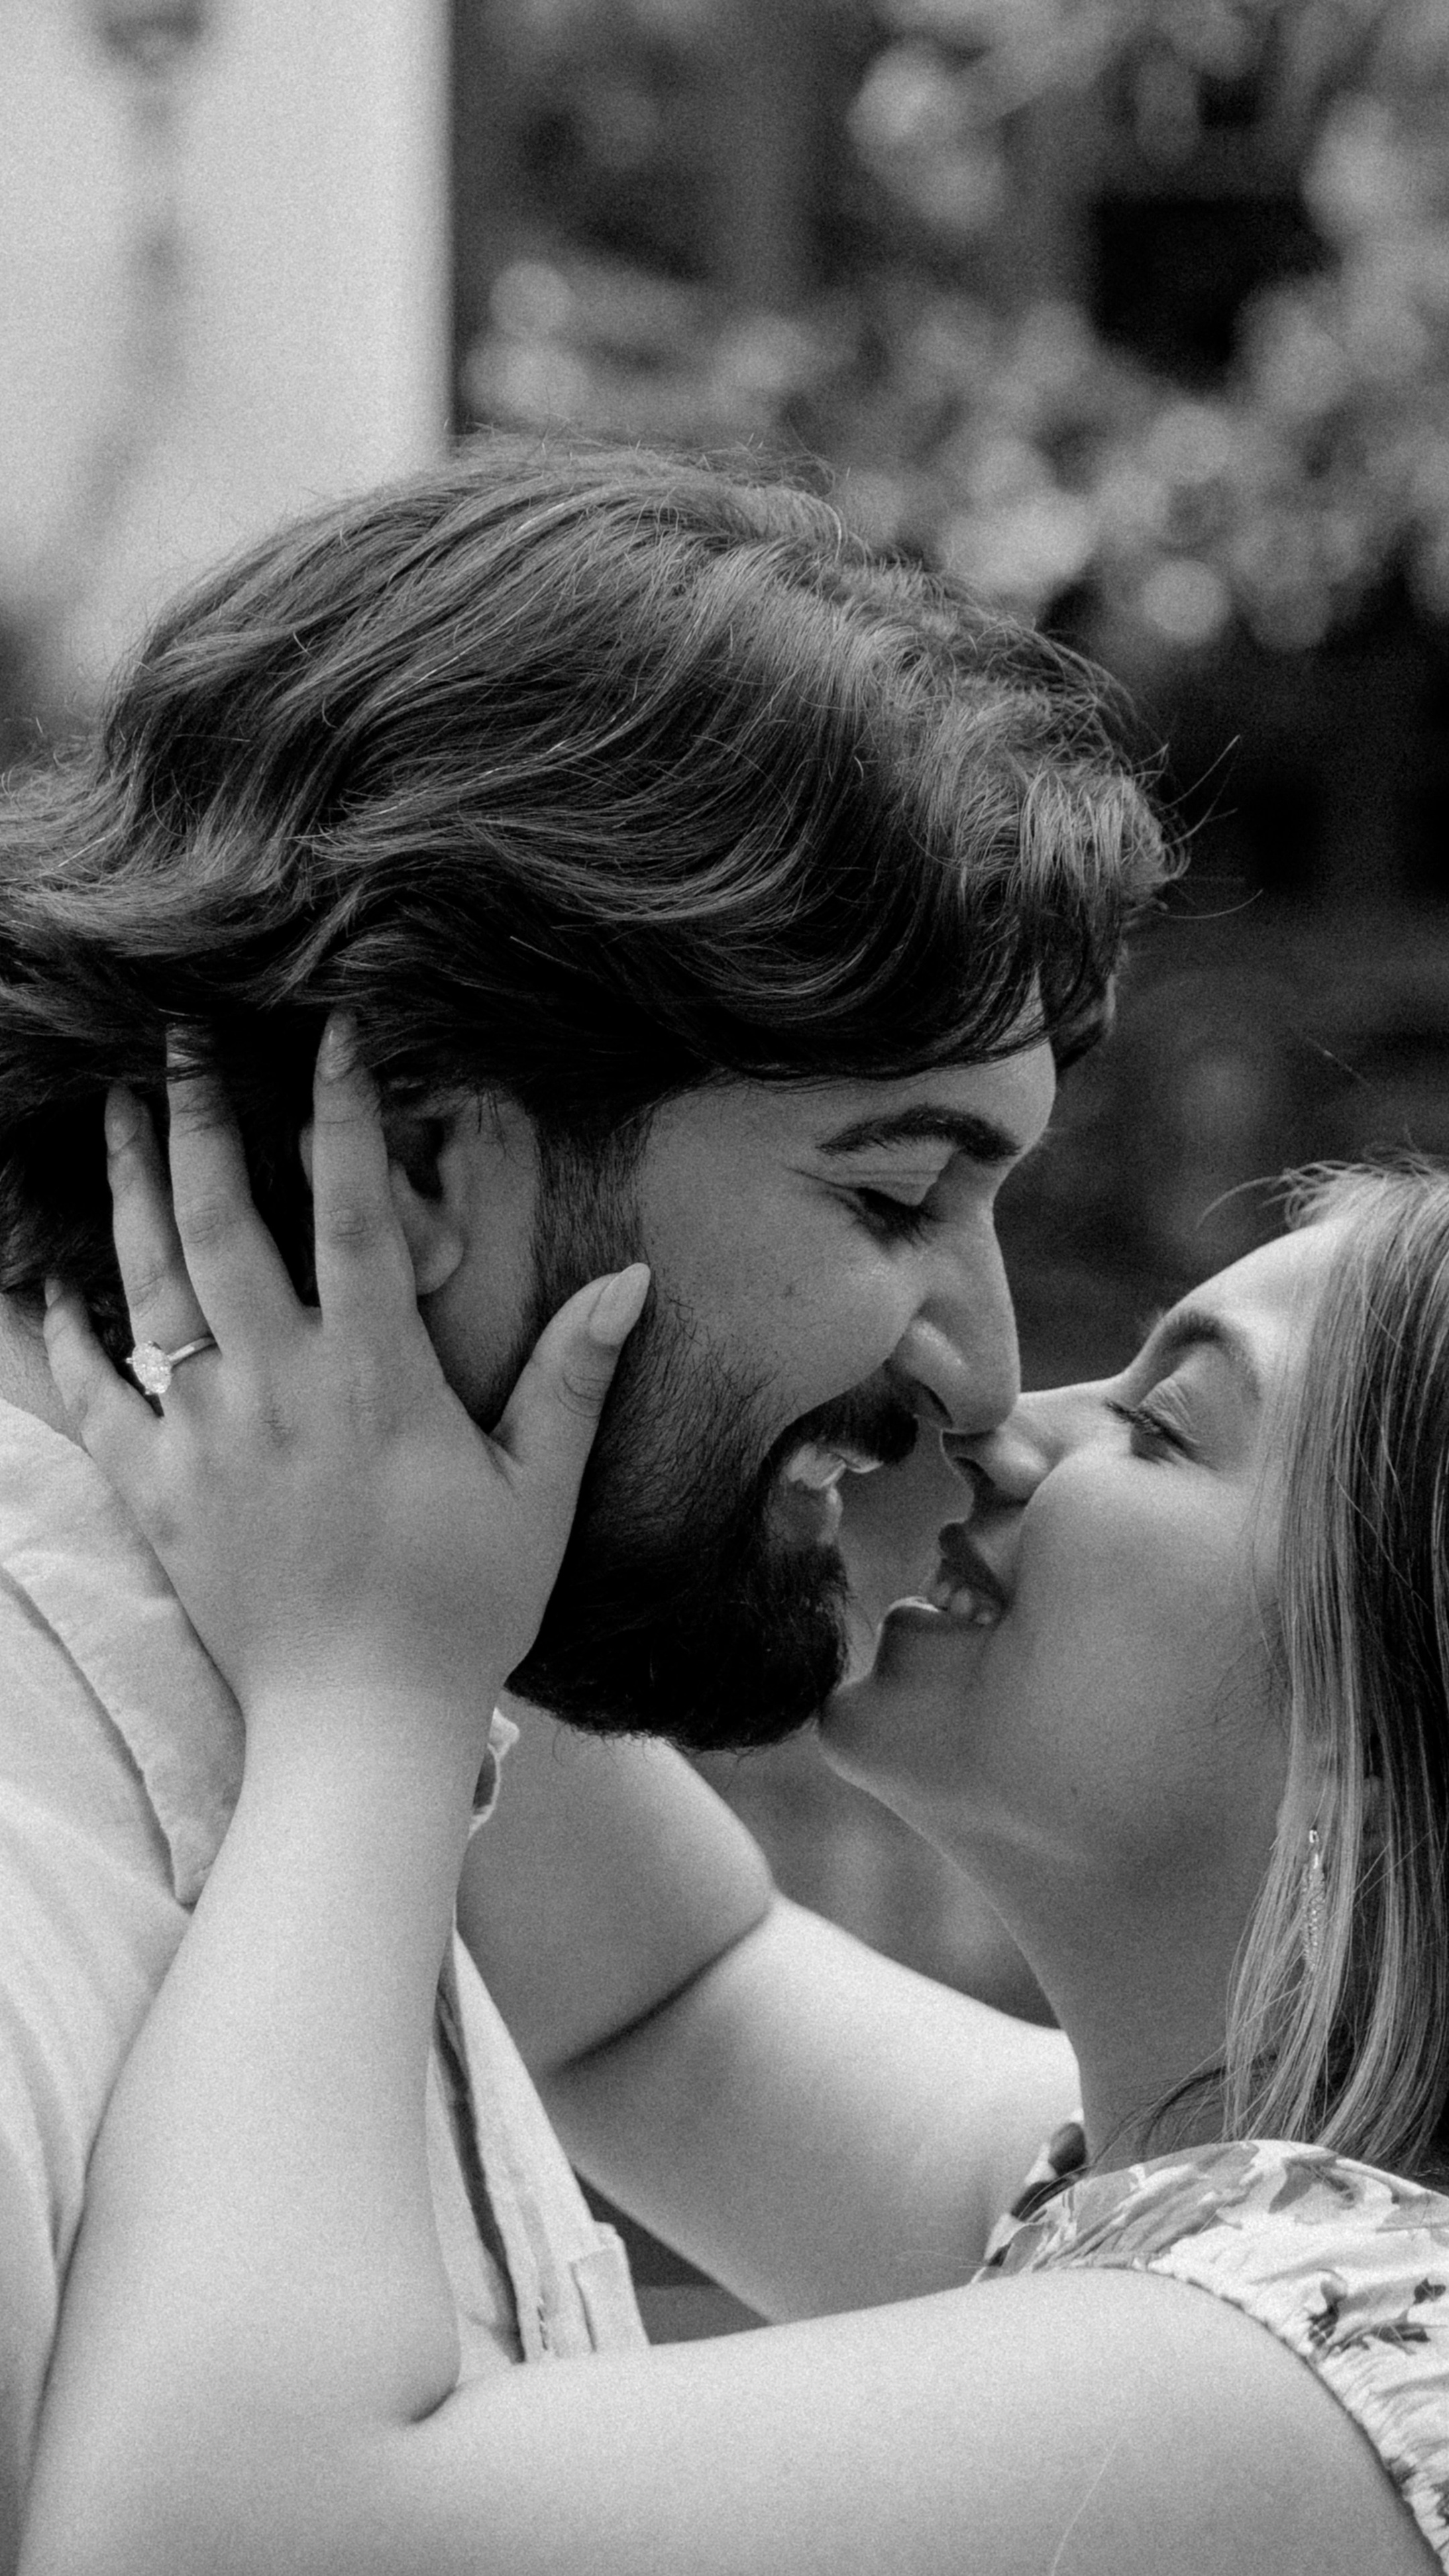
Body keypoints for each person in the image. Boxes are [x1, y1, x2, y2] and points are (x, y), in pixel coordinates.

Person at [22, 1044, 1449, 2574]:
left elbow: (219, 2539)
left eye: (1161, 1428)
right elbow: (661, 2001)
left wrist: (365, 1699)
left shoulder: (1354, 2368)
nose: (993, 1421)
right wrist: (412, 1401)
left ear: (1389, 1720)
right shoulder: (1213, 2223)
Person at [0, 443, 1163, 2566]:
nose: (992, 1386)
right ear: (437, 1154)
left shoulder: (349, 1697)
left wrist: (390, 1685)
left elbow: (671, 1991)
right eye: (896, 1191)